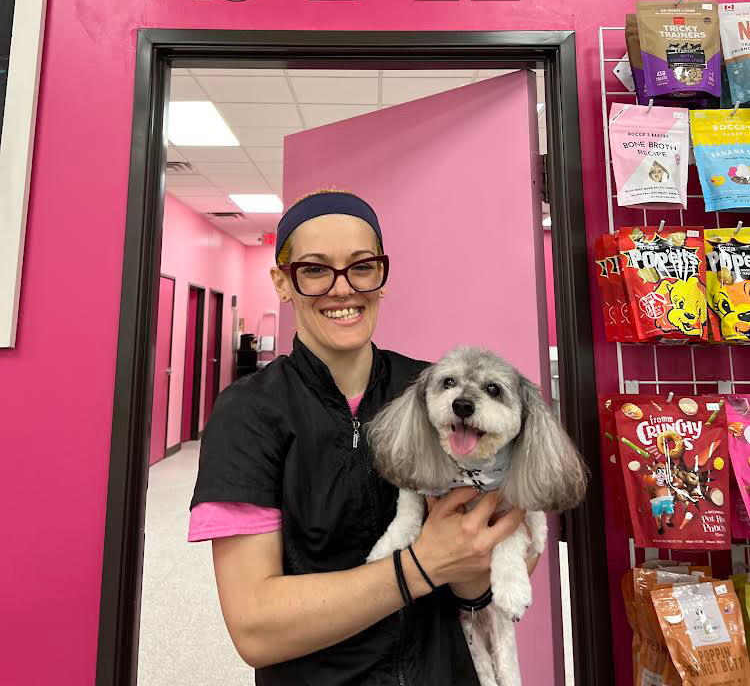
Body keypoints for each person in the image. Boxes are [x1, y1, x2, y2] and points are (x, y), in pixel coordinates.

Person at [188, 188, 529, 685]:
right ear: (283, 283)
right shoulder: (249, 413)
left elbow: (481, 570)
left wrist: (479, 566)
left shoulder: (435, 389)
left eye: (361, 266)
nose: (342, 289)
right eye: (314, 269)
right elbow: (255, 628)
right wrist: (421, 565)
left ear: (382, 276)